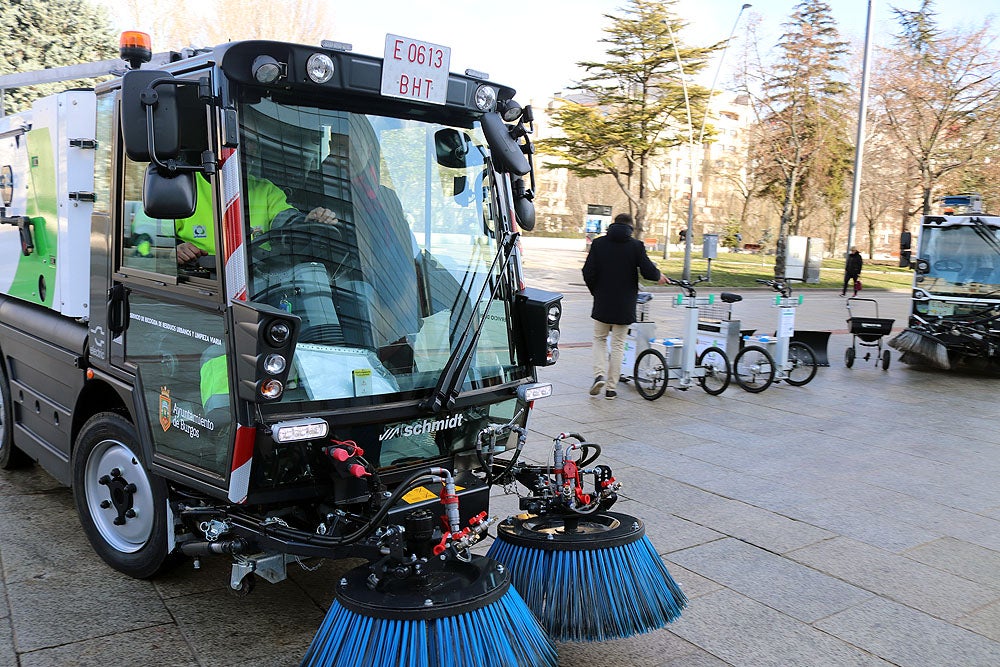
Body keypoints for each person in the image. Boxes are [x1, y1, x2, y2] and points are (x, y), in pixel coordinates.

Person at [582, 213, 667, 400]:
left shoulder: (598, 243)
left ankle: (599, 374)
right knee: (619, 344)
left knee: (599, 339)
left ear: (614, 224)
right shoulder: (636, 246)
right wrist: (658, 275)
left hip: (603, 300)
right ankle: (611, 388)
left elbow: (587, 272)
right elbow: (647, 270)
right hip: (625, 303)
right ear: (631, 227)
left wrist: (596, 291)